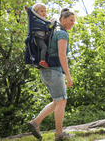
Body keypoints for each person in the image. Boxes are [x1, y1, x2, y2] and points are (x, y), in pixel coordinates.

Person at [27, 8, 75, 140]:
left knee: (57, 101)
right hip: (54, 71)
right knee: (61, 102)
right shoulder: (62, 34)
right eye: (71, 20)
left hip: (46, 72)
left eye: (74, 21)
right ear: (63, 19)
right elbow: (62, 56)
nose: (73, 23)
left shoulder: (53, 31)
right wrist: (68, 76)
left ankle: (35, 122)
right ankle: (59, 134)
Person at [32, 3, 49, 69]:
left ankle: (39, 62)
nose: (44, 13)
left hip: (42, 38)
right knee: (44, 47)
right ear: (36, 13)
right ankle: (42, 61)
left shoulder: (42, 20)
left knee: (44, 48)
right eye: (41, 11)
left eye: (45, 11)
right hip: (38, 38)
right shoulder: (37, 20)